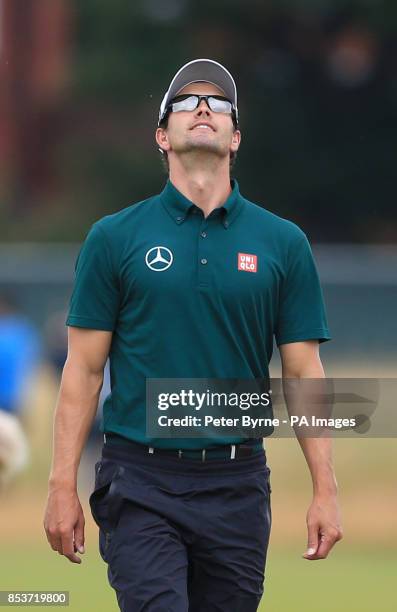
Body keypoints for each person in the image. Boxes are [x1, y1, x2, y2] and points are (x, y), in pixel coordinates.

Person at [43, 58, 343, 611]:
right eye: (185, 103)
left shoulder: (284, 243)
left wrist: (325, 488)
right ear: (163, 136)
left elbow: (304, 373)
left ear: (235, 138)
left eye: (218, 104)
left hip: (238, 484)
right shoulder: (114, 238)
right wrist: (61, 484)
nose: (203, 109)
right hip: (140, 479)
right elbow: (83, 369)